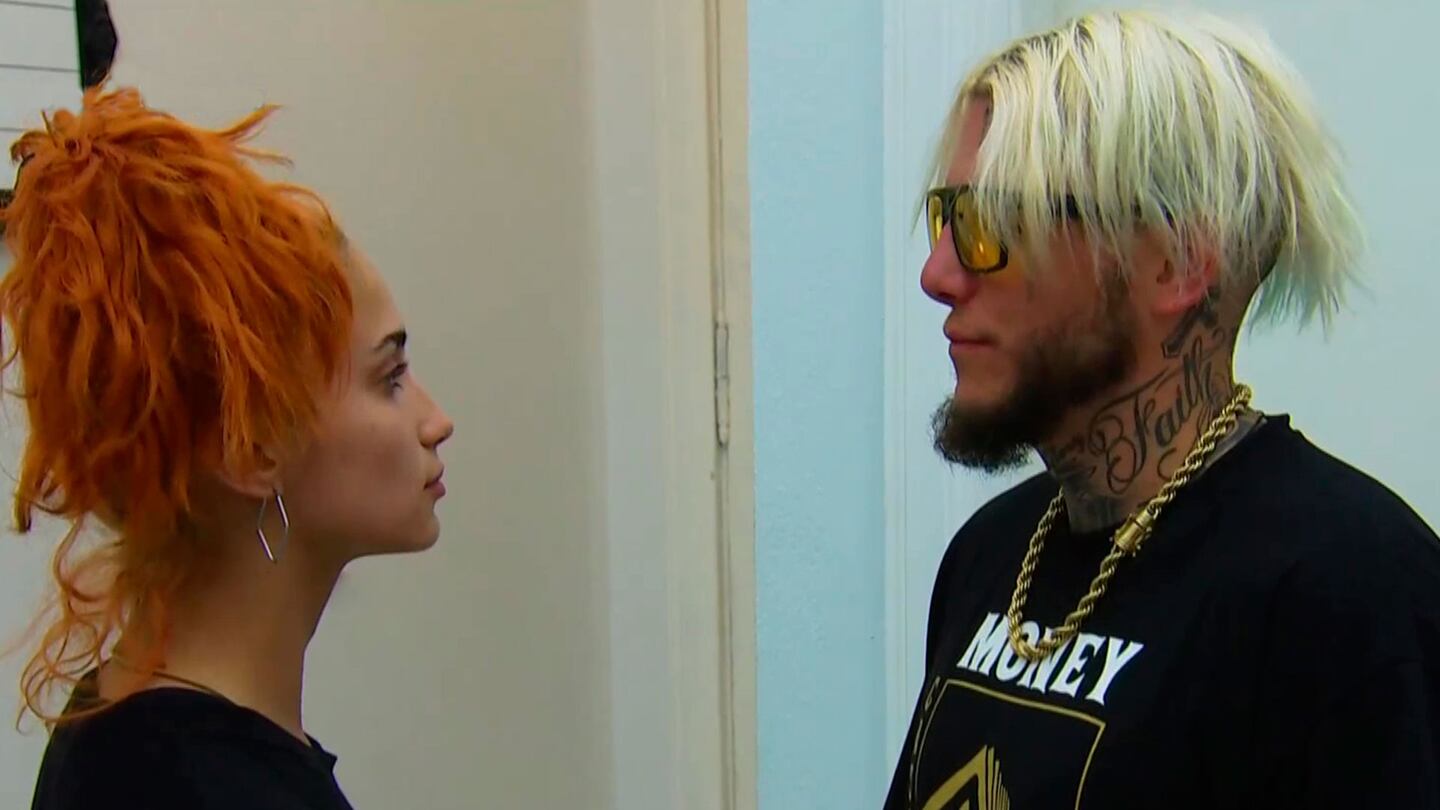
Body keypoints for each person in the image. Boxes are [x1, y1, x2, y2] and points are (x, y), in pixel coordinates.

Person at [885, 9, 1440, 809]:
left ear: (1177, 262)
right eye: (948, 217)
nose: (937, 274)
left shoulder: (1349, 591)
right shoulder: (991, 554)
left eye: (990, 224)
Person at [2, 87, 454, 809]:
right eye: (390, 378)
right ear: (249, 450)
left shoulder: (126, 734)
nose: (437, 421)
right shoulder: (198, 787)